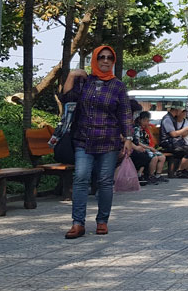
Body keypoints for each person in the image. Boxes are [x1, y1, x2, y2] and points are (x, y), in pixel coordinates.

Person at [61, 45, 134, 239]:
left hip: (109, 141)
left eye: (110, 58)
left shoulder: (118, 86)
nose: (105, 60)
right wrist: (72, 75)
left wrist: (128, 138)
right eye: (101, 57)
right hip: (83, 138)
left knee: (104, 181)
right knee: (81, 177)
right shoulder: (85, 82)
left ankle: (102, 221)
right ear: (95, 59)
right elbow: (66, 98)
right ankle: (78, 223)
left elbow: (125, 113)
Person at [159, 103, 188, 178]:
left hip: (173, 143)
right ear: (177, 110)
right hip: (167, 144)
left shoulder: (172, 118)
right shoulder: (167, 119)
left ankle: (183, 170)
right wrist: (185, 129)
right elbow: (173, 134)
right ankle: (179, 171)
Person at [133, 111, 168, 184]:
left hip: (148, 147)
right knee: (154, 157)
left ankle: (158, 175)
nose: (146, 122)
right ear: (140, 120)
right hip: (141, 147)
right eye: (144, 120)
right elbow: (137, 142)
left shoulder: (146, 128)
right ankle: (150, 175)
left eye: (147, 120)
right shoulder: (137, 128)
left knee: (162, 157)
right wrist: (149, 148)